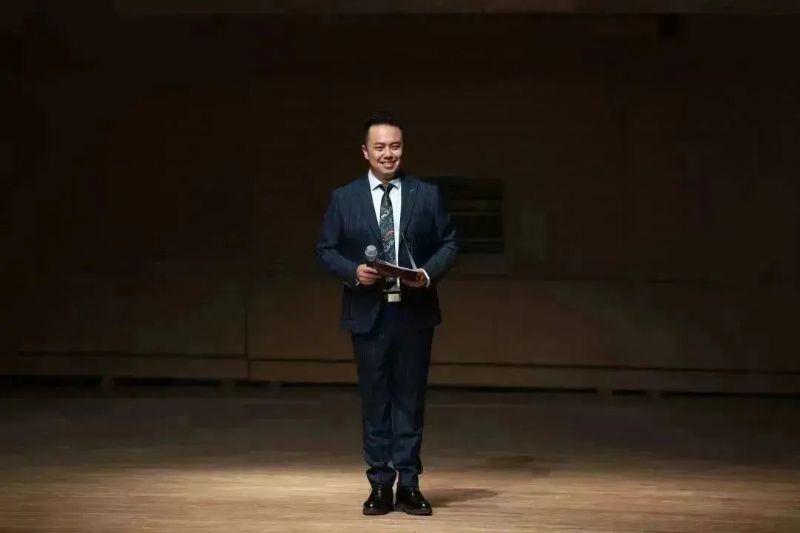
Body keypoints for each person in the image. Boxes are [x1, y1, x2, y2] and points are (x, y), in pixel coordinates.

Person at [315, 113, 458, 516]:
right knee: (375, 399)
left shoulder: (426, 194)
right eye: (379, 147)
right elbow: (325, 248)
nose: (388, 153)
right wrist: (352, 272)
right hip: (368, 312)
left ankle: (409, 484)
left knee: (410, 400)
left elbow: (449, 242)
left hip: (414, 313)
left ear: (402, 148)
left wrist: (426, 274)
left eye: (394, 146)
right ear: (365, 152)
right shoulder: (344, 198)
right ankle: (380, 483)